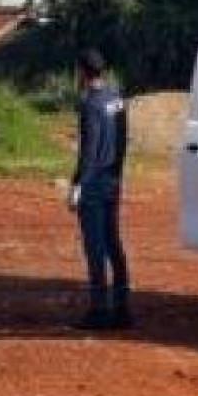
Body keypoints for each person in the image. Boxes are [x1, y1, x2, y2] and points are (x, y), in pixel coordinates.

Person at [70, 48, 131, 330]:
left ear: (82, 72)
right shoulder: (116, 98)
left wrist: (77, 184)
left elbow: (89, 150)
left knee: (95, 247)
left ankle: (98, 310)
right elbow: (122, 141)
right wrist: (117, 174)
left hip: (94, 183)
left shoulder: (90, 104)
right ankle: (122, 307)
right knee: (113, 243)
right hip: (113, 179)